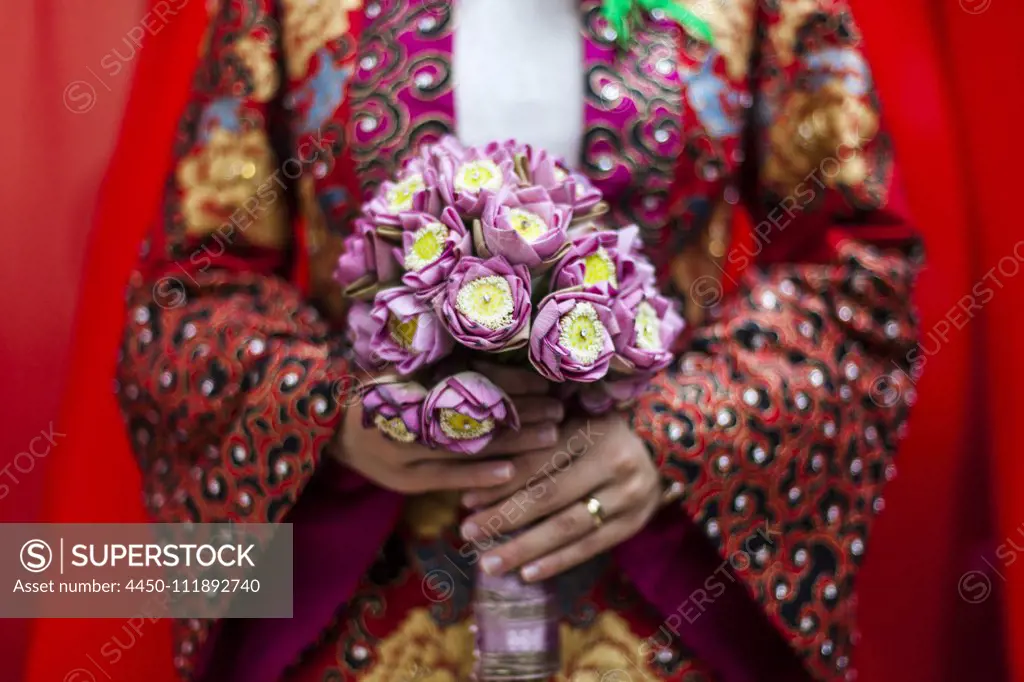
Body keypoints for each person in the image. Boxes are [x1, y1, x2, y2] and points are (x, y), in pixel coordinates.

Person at [114, 0, 921, 680]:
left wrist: (677, 433)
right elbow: (191, 290)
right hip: (373, 605)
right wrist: (336, 416)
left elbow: (854, 267)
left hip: (655, 590)